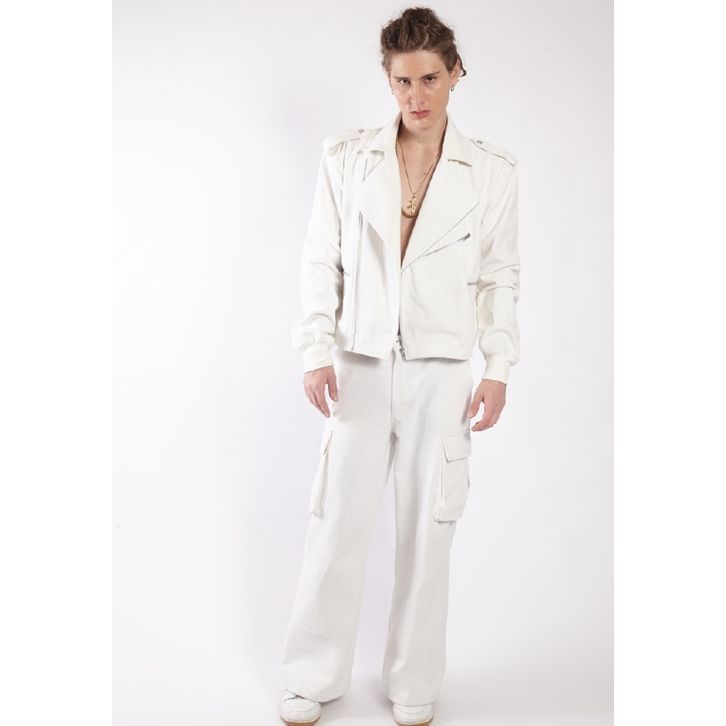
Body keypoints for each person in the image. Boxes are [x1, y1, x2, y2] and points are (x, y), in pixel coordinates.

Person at [279, 7, 521, 726]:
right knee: (336, 523)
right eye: (403, 81)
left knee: (428, 531)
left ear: (455, 74)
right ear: (388, 80)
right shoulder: (346, 157)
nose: (416, 96)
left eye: (430, 79)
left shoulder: (492, 172)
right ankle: (312, 674)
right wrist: (315, 349)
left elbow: (500, 275)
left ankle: (415, 682)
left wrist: (498, 364)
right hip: (358, 363)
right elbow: (321, 257)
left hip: (441, 370)